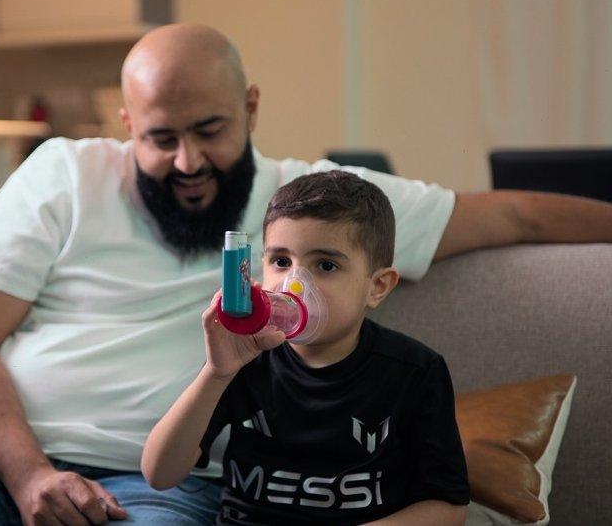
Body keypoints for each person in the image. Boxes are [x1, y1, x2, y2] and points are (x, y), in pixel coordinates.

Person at [0, 23, 612, 526]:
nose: (185, 161)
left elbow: (522, 214)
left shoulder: (318, 206)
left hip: (164, 484)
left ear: (249, 106)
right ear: (127, 124)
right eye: (159, 137)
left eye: (210, 131)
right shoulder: (65, 173)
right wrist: (26, 474)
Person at [142, 171, 469, 525]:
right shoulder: (244, 360)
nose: (294, 285)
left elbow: (448, 506)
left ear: (376, 287)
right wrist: (215, 374)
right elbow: (160, 475)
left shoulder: (415, 371)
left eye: (326, 265)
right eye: (281, 261)